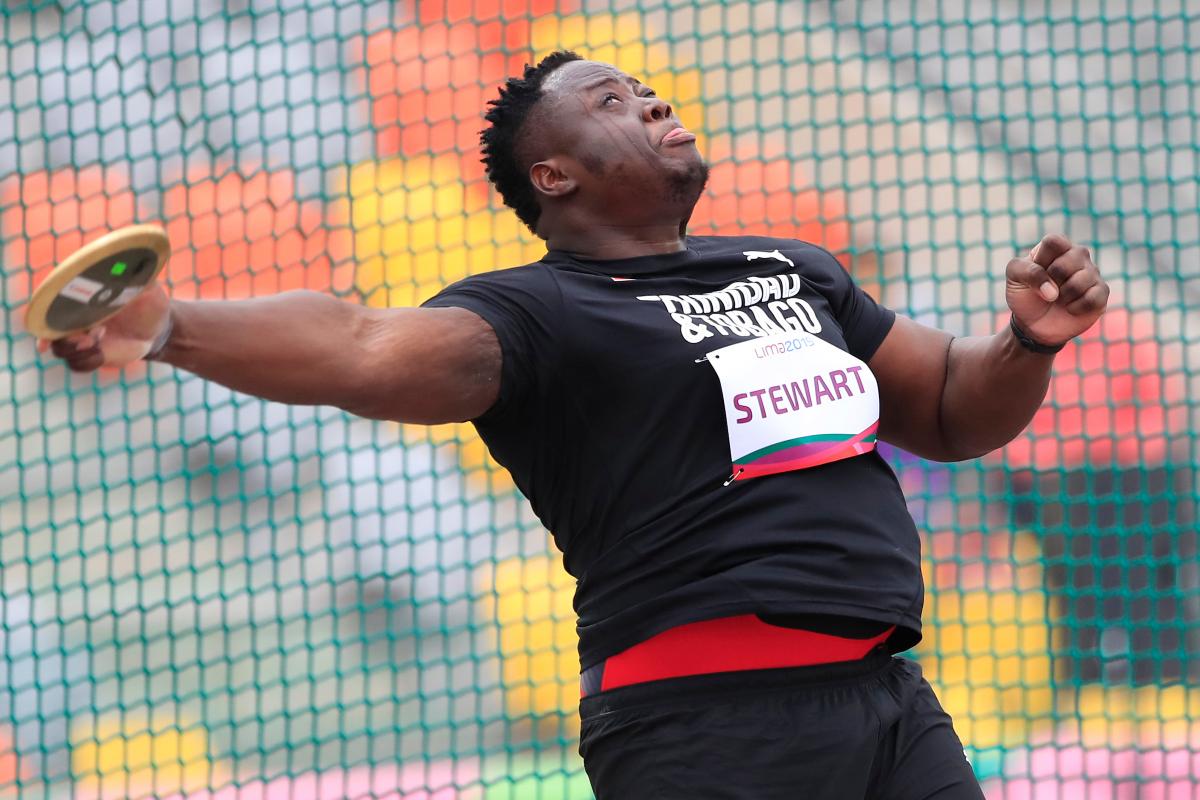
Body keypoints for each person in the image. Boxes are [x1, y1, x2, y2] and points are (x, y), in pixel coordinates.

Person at [45, 51, 1109, 799]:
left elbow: (949, 410)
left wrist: (1025, 342)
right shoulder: (538, 311)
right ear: (552, 175)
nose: (652, 104)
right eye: (613, 100)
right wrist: (172, 324)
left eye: (648, 90)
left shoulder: (793, 268)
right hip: (706, 721)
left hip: (886, 695)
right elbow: (361, 344)